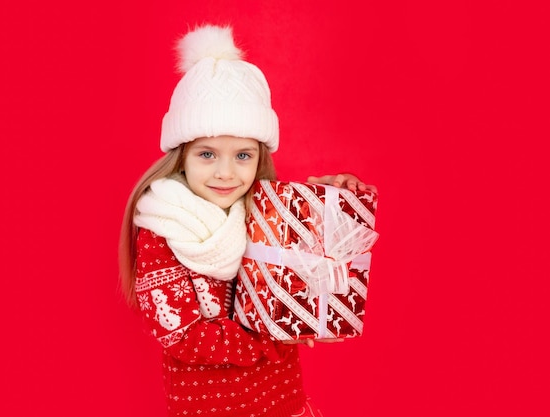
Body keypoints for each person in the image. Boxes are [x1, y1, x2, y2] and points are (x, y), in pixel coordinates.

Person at [119, 24, 375, 417]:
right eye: (207, 154)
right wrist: (277, 337)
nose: (226, 173)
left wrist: (336, 199)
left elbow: (323, 257)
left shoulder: (267, 209)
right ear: (181, 157)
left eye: (243, 155)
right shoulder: (161, 226)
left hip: (281, 401)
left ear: (259, 158)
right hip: (210, 409)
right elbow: (185, 337)